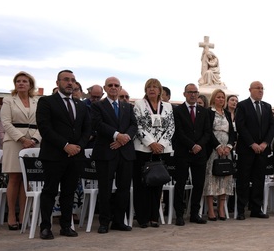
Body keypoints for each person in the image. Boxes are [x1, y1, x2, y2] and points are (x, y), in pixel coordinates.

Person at [36, 70, 91, 240]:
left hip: (75, 156)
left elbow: (87, 129)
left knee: (69, 192)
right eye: (66, 80)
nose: (70, 83)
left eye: (73, 80)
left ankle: (66, 226)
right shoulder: (46, 101)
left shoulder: (80, 105)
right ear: (58, 82)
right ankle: (45, 227)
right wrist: (65, 146)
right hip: (54, 155)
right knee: (50, 191)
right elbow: (45, 128)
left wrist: (79, 147)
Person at [90, 77, 137, 233]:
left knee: (124, 188)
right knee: (105, 188)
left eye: (116, 85)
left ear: (120, 87)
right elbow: (98, 124)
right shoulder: (98, 106)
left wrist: (125, 139)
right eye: (110, 85)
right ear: (105, 88)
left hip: (125, 153)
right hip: (106, 152)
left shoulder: (127, 107)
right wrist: (117, 135)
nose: (113, 88)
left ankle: (119, 221)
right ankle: (104, 222)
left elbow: (134, 125)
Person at [0, 71, 41, 230]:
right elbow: (6, 123)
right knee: (15, 178)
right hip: (14, 141)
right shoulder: (8, 100)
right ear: (15, 84)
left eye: (24, 81)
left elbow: (43, 123)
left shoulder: (37, 101)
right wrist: (22, 139)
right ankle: (11, 215)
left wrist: (35, 139)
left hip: (33, 142)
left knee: (28, 179)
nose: (21, 83)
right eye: (18, 81)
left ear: (30, 84)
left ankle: (24, 214)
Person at [133, 78, 175, 228]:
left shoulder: (168, 107)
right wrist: (151, 143)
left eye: (155, 87)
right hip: (143, 149)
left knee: (157, 183)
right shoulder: (139, 104)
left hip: (161, 151)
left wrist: (161, 145)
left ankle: (154, 217)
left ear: (160, 90)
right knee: (142, 184)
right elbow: (138, 126)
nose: (152, 89)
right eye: (149, 87)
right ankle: (142, 218)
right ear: (146, 90)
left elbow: (171, 127)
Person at [234, 81, 274, 220]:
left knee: (259, 180)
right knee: (243, 180)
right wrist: (252, 144)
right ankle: (241, 210)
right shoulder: (242, 105)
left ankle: (256, 209)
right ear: (250, 90)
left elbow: (272, 127)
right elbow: (241, 126)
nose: (261, 90)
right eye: (258, 88)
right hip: (247, 150)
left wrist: (265, 143)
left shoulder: (266, 106)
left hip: (262, 150)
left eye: (262, 88)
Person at [172, 83, 212, 226]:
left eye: (195, 92)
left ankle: (195, 213)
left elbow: (208, 132)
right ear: (184, 94)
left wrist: (199, 145)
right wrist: (191, 145)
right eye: (190, 92)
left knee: (199, 184)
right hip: (183, 152)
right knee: (180, 184)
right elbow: (178, 131)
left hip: (200, 153)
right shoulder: (178, 110)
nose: (193, 95)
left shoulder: (204, 111)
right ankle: (179, 214)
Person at [203, 89, 236, 221]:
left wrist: (228, 146)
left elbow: (232, 133)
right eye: (218, 97)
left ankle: (221, 208)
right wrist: (217, 146)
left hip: (226, 150)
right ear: (213, 99)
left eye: (223, 97)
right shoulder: (208, 113)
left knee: (225, 177)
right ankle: (211, 210)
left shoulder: (227, 113)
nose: (221, 99)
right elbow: (208, 131)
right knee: (211, 178)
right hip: (213, 149)